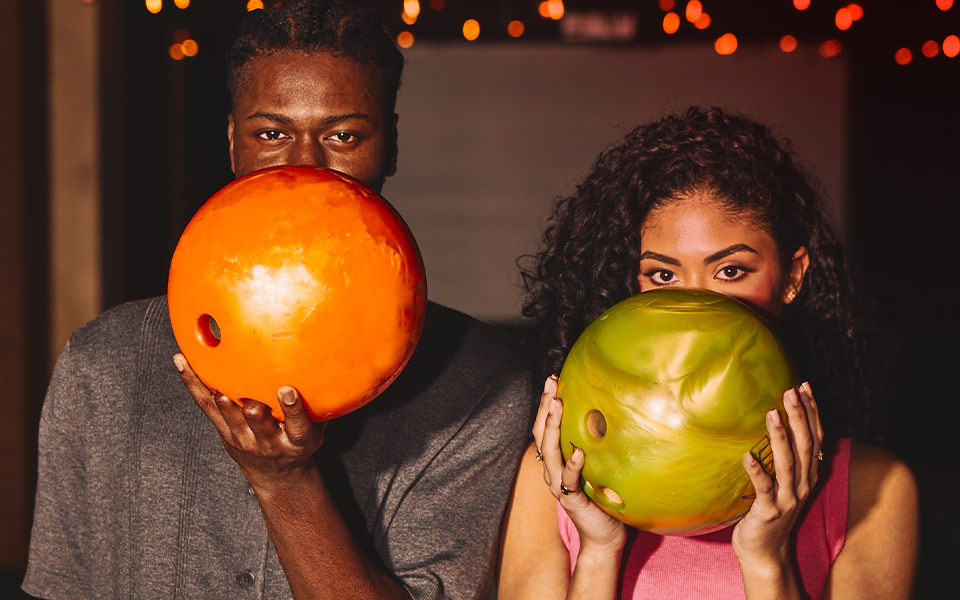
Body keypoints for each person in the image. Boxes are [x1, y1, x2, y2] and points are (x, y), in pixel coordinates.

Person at [23, 2, 534, 599]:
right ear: (234, 146)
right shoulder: (104, 364)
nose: (304, 168)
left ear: (389, 147)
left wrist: (286, 481)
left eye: (343, 135)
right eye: (271, 134)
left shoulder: (482, 384)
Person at [498, 106, 918, 599]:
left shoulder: (874, 487)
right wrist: (598, 548)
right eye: (663, 275)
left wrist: (766, 559)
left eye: (731, 271)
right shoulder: (555, 477)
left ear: (793, 275)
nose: (692, 305)